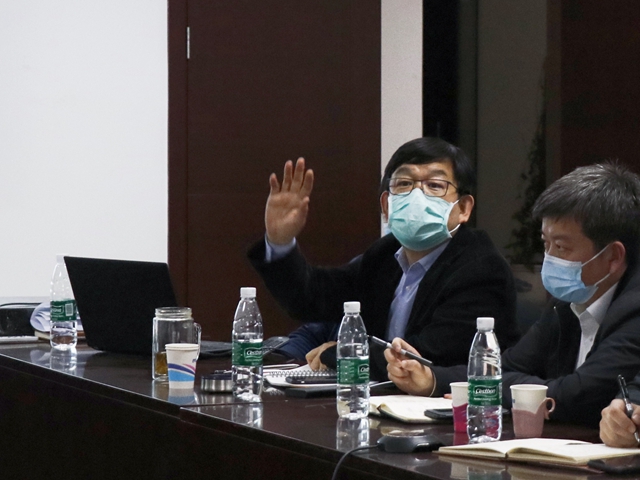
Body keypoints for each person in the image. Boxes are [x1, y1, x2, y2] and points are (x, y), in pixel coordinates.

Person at [385, 162, 640, 427]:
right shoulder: (567, 303)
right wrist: (431, 379)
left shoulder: (634, 309)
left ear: (613, 256)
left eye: (561, 247)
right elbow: (502, 368)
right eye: (546, 243)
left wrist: (497, 388)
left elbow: (577, 395)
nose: (549, 257)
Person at [248, 137, 520, 380]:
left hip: (449, 411)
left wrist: (341, 351)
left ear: (463, 208)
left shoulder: (482, 269)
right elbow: (311, 297)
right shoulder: (385, 254)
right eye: (404, 184)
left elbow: (424, 356)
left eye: (435, 185)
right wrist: (280, 241)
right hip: (377, 403)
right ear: (386, 205)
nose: (417, 195)